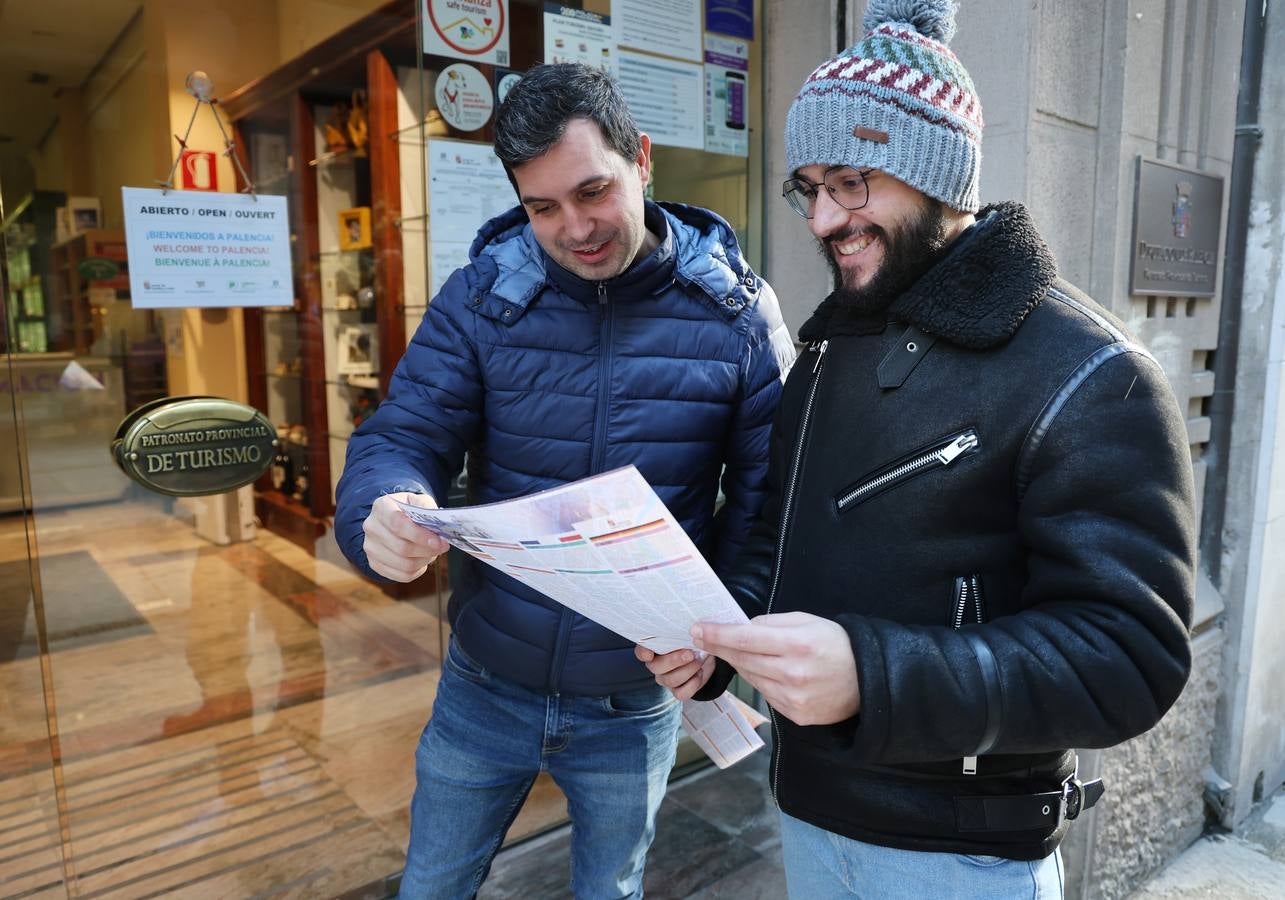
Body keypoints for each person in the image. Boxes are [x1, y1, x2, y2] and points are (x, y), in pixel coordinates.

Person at [638, 2, 1196, 896]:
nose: (822, 219)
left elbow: (1128, 658)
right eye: (809, 188)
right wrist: (718, 645)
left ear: (941, 176)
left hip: (964, 858)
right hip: (809, 815)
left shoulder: (1090, 372)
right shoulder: (826, 350)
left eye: (852, 182)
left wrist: (873, 676)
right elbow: (776, 537)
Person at [334, 63, 794, 898]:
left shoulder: (736, 316)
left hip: (633, 700)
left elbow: (768, 507)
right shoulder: (483, 299)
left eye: (593, 192)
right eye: (542, 206)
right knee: (431, 885)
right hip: (485, 681)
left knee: (608, 890)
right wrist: (385, 506)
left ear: (642, 160)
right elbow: (403, 436)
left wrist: (724, 644)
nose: (574, 227)